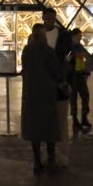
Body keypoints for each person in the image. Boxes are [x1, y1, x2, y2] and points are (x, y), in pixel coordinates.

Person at [21, 23, 63, 174]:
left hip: (31, 94)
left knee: (34, 130)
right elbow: (56, 72)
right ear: (43, 36)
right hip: (46, 93)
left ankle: (37, 162)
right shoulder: (48, 51)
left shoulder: (26, 51)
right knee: (49, 127)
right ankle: (50, 159)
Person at [39, 7, 74, 166]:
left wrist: (66, 80)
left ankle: (63, 155)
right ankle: (50, 154)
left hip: (60, 84)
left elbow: (70, 59)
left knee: (61, 122)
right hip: (44, 85)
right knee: (46, 121)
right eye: (47, 19)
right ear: (43, 18)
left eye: (52, 19)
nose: (49, 22)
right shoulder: (37, 36)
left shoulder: (65, 36)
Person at [68, 28, 92, 132]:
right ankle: (75, 119)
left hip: (80, 74)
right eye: (78, 36)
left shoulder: (79, 47)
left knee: (85, 95)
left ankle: (83, 117)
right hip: (73, 76)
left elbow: (87, 57)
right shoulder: (70, 48)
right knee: (73, 98)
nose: (80, 38)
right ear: (73, 36)